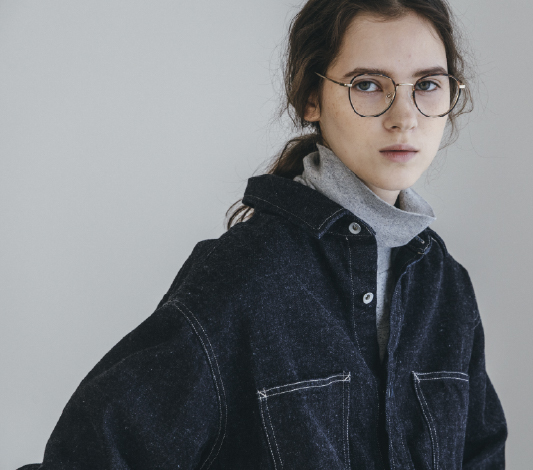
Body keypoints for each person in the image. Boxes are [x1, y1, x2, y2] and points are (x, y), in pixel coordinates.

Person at [18, 0, 507, 468]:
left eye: (427, 84)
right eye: (367, 85)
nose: (404, 117)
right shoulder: (246, 275)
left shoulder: (446, 286)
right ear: (311, 98)